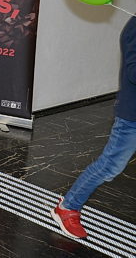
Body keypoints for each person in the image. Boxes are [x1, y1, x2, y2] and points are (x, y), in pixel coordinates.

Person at [52, 15, 135, 239]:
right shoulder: (135, 27)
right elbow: (134, 72)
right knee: (110, 166)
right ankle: (67, 207)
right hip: (133, 116)